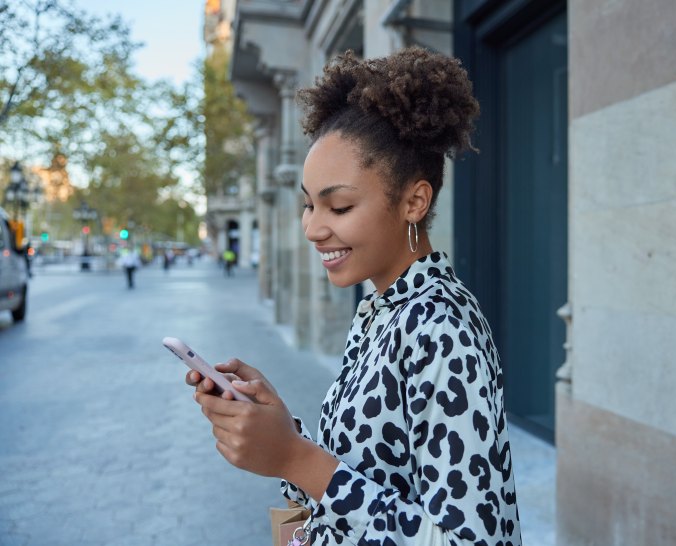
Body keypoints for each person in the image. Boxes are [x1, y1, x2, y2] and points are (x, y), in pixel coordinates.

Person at [187, 46, 521, 545]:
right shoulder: (381, 308)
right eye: (308, 204)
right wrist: (279, 432)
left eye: (338, 206)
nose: (313, 229)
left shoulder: (440, 327)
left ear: (414, 200)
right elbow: (372, 474)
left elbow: (469, 540)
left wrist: (295, 457)